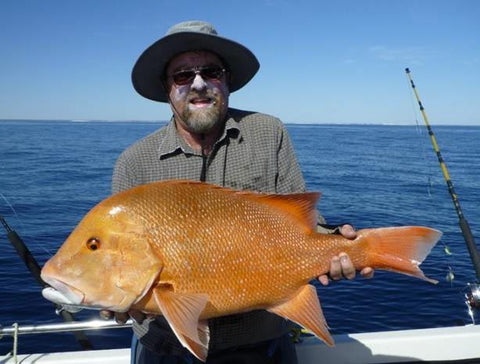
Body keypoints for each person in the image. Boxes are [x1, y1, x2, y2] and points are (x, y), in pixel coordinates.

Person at [107, 20, 373, 364]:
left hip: (262, 345)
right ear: (167, 87)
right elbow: (119, 260)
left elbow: (299, 223)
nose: (199, 84)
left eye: (211, 71)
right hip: (165, 350)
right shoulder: (134, 163)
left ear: (227, 79)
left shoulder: (267, 132)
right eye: (183, 76)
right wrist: (115, 299)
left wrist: (338, 242)